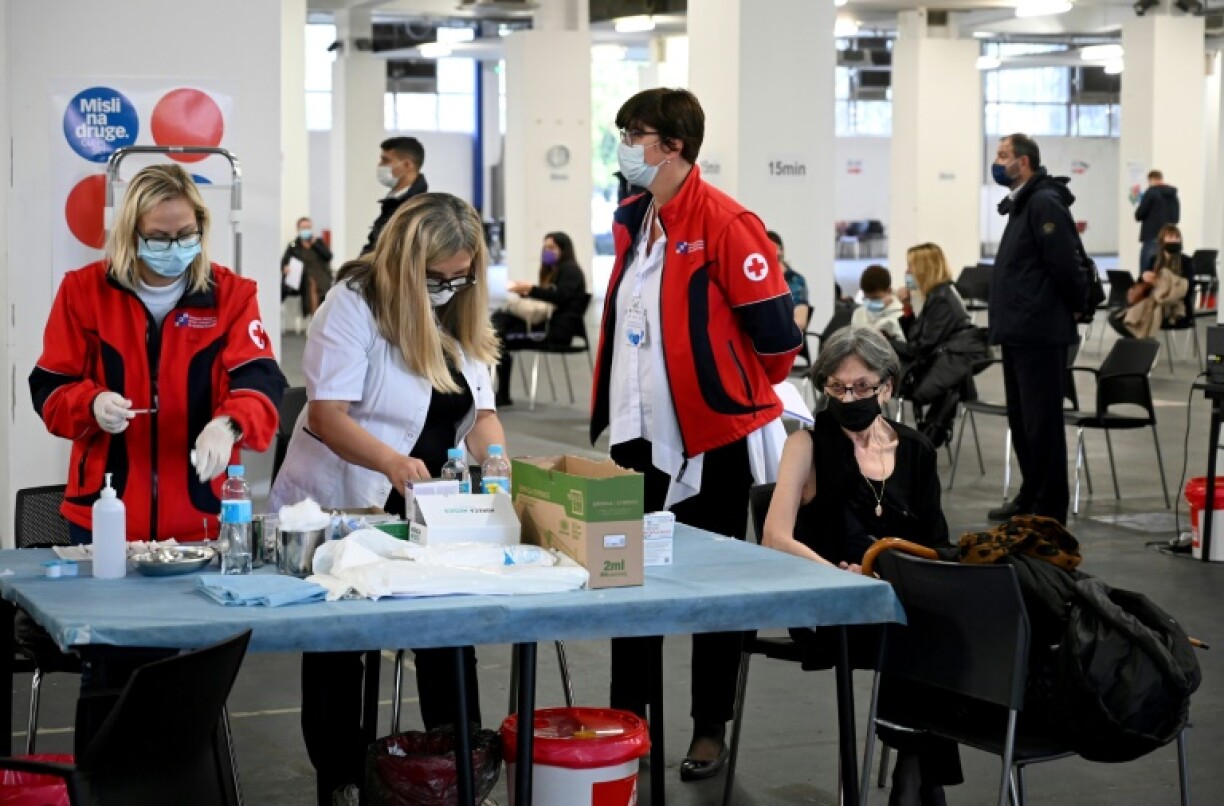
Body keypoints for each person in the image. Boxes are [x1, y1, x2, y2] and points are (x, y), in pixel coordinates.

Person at [590, 87, 803, 782]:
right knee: (622, 581)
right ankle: (631, 721)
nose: (624, 145)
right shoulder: (635, 215)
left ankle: (709, 725)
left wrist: (720, 392)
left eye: (634, 133)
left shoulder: (726, 221)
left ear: (673, 145)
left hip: (710, 439)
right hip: (634, 438)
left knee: (713, 588)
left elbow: (776, 339)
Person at [268, 193, 503, 805]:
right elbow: (326, 414)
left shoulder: (461, 312)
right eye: (436, 278)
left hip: (430, 504)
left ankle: (457, 767)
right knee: (343, 645)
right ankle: (341, 778)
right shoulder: (353, 305)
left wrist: (497, 459)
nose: (449, 289)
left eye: (461, 277)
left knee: (448, 632)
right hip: (350, 499)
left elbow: (480, 414)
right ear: (405, 262)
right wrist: (394, 464)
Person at [31, 163, 285, 544]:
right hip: (102, 514)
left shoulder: (232, 295)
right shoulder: (83, 292)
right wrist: (91, 403)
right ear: (131, 235)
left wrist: (227, 425)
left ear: (201, 226)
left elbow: (261, 382)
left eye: (185, 234)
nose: (174, 246)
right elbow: (50, 388)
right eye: (158, 237)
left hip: (204, 514)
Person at [762, 326, 959, 806]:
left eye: (862, 387)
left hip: (901, 597)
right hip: (830, 604)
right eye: (837, 387)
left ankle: (914, 773)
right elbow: (775, 536)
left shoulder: (915, 450)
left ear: (887, 387)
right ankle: (918, 780)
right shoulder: (805, 445)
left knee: (940, 619)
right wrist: (837, 574)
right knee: (921, 628)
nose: (849, 396)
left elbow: (937, 543)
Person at [987, 133, 1085, 525]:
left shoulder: (1044, 202)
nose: (997, 161)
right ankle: (1031, 493)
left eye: (1003, 155)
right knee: (1023, 421)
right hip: (1018, 330)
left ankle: (1049, 507)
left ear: (1023, 162)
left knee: (1042, 423)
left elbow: (1066, 264)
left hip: (1040, 332)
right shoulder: (1022, 204)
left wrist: (1073, 309)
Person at [893, 244, 985, 448]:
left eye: (910, 266)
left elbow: (919, 348)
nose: (907, 272)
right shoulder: (936, 295)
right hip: (942, 366)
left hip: (942, 367)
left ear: (924, 268)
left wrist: (885, 342)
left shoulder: (941, 299)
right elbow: (917, 339)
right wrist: (907, 309)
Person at [491, 231, 588, 406]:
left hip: (555, 332)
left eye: (551, 247)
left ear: (563, 249)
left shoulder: (570, 271)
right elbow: (549, 300)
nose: (546, 251)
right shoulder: (554, 271)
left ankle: (502, 394)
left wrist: (531, 289)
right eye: (545, 247)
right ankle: (500, 391)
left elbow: (560, 297)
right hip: (547, 325)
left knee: (499, 337)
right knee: (502, 323)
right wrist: (527, 292)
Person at [1115, 223, 1190, 339]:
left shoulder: (1186, 261)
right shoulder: (1154, 260)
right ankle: (1141, 343)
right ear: (1162, 240)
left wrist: (1167, 284)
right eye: (1170, 237)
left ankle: (1142, 343)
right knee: (1117, 319)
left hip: (1173, 305)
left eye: (1177, 237)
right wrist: (1144, 277)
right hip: (1151, 299)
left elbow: (1188, 286)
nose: (1174, 240)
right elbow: (1143, 284)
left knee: (1145, 313)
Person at [361, 135, 428, 255]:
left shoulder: (417, 210)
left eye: (385, 160)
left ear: (407, 165)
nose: (379, 165)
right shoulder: (393, 202)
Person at [281, 216, 332, 317]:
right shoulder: (293, 245)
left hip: (321, 274)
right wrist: (285, 267)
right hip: (302, 277)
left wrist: (315, 244)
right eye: (303, 228)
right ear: (298, 229)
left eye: (308, 227)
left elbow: (328, 256)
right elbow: (284, 261)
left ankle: (317, 316)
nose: (306, 230)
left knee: (316, 283)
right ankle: (316, 316)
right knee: (310, 282)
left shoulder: (318, 242)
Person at [1134, 169, 1179, 273]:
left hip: (1151, 236)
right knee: (1165, 271)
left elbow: (1139, 215)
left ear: (1151, 180)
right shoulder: (1173, 195)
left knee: (1146, 271)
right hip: (1169, 239)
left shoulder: (1150, 192)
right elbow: (1176, 218)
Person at [766, 230, 810, 330]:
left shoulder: (795, 280)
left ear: (781, 250)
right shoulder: (759, 281)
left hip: (785, 338)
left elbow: (800, 322)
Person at [851, 264, 905, 342]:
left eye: (875, 298)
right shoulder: (859, 313)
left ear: (889, 291)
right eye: (866, 298)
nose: (870, 302)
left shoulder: (901, 315)